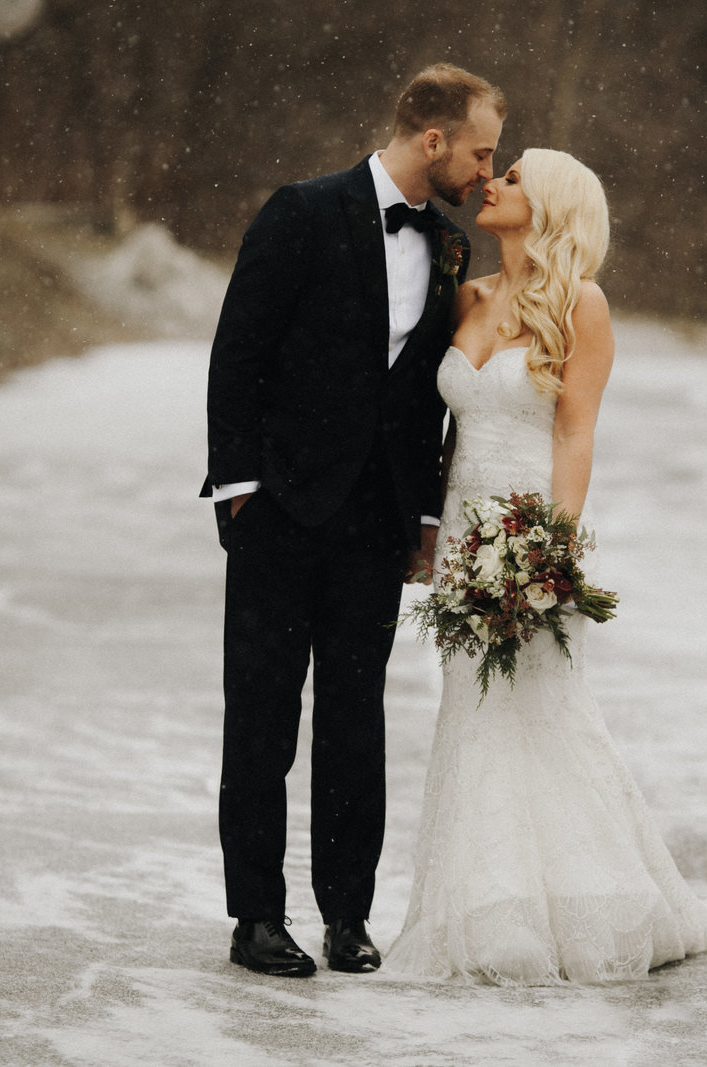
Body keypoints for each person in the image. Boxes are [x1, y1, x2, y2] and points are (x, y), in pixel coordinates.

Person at [388, 149, 707, 984]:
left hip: (527, 533)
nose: (492, 183)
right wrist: (430, 533)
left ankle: (588, 907)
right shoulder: (468, 297)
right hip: (463, 545)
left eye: (511, 177)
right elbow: (445, 432)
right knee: (471, 715)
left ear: (548, 203)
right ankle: (488, 906)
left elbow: (573, 432)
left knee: (545, 708)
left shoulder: (582, 306)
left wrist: (548, 550)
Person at [202, 64, 507, 977]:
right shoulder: (300, 211)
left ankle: (347, 916)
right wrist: (239, 490)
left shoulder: (450, 247)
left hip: (375, 525)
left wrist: (420, 517)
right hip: (280, 514)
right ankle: (256, 916)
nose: (489, 174)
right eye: (482, 151)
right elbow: (238, 352)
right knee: (260, 720)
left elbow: (420, 402)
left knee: (354, 722)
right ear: (432, 140)